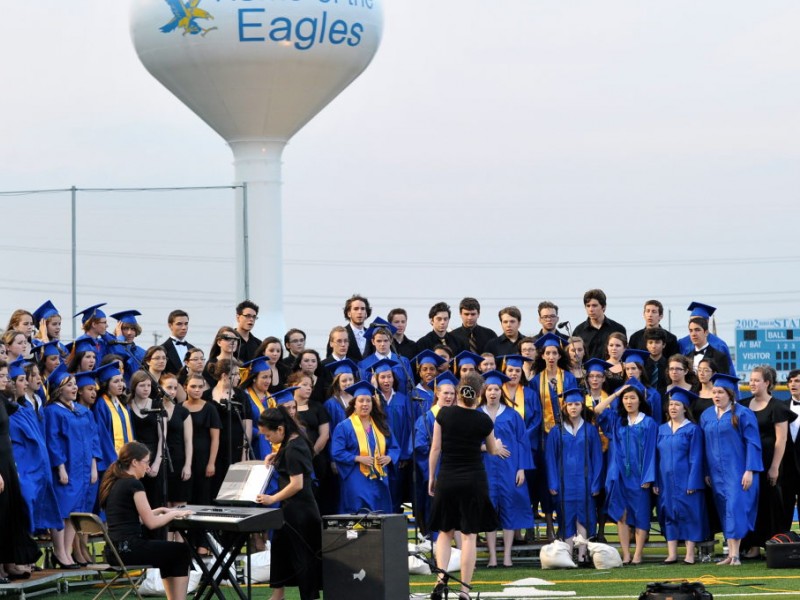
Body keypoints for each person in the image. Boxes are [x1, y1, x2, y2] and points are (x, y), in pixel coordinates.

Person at [428, 372, 500, 600]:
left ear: (459, 391)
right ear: (479, 395)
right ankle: (465, 590)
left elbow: (436, 449)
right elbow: (491, 449)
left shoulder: (444, 414)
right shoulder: (483, 420)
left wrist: (432, 476)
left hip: (448, 477)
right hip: (473, 480)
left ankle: (441, 579)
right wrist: (496, 445)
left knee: (444, 532)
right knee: (469, 535)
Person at [99, 441, 193, 600]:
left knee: (169, 553)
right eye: (146, 463)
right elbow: (152, 523)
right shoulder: (134, 484)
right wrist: (174, 513)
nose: (148, 467)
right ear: (134, 462)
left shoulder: (113, 482)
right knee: (181, 550)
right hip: (129, 550)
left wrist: (160, 511)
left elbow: (133, 519)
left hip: (113, 552)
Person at [255, 407, 322, 600]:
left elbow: (297, 484)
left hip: (300, 511)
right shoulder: (291, 441)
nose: (267, 439)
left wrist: (272, 499)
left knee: (303, 557)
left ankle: (309, 597)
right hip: (290, 509)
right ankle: (278, 594)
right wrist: (277, 457)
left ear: (280, 430)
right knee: (279, 548)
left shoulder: (294, 447)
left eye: (268, 435)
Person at [700, 373, 762, 566]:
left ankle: (735, 555)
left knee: (735, 508)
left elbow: (753, 443)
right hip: (716, 473)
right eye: (714, 392)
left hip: (738, 471)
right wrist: (706, 471)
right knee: (725, 509)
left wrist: (750, 470)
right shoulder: (707, 415)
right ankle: (731, 554)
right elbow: (703, 445)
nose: (716, 395)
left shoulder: (743, 414)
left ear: (730, 394)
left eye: (720, 392)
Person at [594, 385, 657, 565]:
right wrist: (615, 392)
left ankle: (637, 554)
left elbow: (652, 451)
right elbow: (597, 410)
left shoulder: (648, 423)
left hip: (640, 476)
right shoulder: (617, 420)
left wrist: (648, 476)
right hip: (619, 474)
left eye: (633, 398)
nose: (629, 401)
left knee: (640, 514)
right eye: (626, 398)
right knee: (621, 514)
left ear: (640, 401)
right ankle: (626, 554)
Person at [44, 364, 99, 568]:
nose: (75, 388)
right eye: (70, 385)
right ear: (59, 389)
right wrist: (60, 467)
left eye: (75, 384)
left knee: (74, 513)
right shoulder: (53, 412)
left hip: (82, 469)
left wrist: (93, 466)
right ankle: (60, 552)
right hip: (66, 469)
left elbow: (94, 440)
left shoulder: (83, 411)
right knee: (62, 511)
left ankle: (67, 553)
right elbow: (53, 441)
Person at [740, 365, 795, 559]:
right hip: (748, 463)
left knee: (771, 504)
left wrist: (774, 467)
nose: (751, 383)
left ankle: (772, 545)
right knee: (751, 503)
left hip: (770, 462)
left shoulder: (778, 407)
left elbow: (782, 440)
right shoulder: (743, 404)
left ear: (767, 383)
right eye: (750, 380)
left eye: (756, 380)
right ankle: (752, 546)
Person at [480, 370, 533, 568]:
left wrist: (522, 469)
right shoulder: (477, 415)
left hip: (510, 468)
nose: (493, 392)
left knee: (510, 508)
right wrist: (489, 447)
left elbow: (523, 443)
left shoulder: (512, 415)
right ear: (484, 391)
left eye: (496, 389)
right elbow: (468, 442)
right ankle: (493, 556)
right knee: (489, 511)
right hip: (485, 468)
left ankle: (508, 555)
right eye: (489, 389)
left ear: (501, 392)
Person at [545, 388, 603, 565]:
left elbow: (597, 457)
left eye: (577, 404)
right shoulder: (557, 431)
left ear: (582, 406)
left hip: (585, 481)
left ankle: (583, 555)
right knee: (566, 515)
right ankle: (569, 554)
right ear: (564, 407)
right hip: (564, 481)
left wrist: (596, 483)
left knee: (584, 516)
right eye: (570, 404)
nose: (573, 407)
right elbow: (550, 459)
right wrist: (553, 481)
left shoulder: (590, 430)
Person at [655, 387, 708, 564]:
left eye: (677, 404)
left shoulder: (692, 430)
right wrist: (655, 480)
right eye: (671, 404)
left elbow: (696, 457)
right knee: (669, 513)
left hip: (686, 480)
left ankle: (690, 554)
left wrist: (693, 481)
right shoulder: (662, 429)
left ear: (685, 408)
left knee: (689, 514)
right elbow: (656, 457)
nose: (673, 407)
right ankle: (672, 554)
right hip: (666, 481)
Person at [0, 360, 42, 582]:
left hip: (7, 463)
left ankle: (9, 563)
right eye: (2, 376)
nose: (6, 380)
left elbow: (21, 405)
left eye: (7, 375)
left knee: (9, 514)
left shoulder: (2, 400)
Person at [330, 380, 399, 514]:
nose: (365, 404)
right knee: (359, 511)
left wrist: (389, 457)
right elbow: (337, 452)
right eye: (361, 401)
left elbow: (394, 447)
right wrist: (357, 458)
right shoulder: (344, 426)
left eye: (368, 401)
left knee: (381, 510)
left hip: (380, 478)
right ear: (354, 404)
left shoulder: (381, 425)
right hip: (356, 477)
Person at [128, 371, 166, 513]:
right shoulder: (127, 406)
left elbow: (163, 437)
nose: (146, 389)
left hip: (155, 455)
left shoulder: (157, 406)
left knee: (154, 500)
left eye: (148, 385)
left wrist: (156, 463)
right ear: (134, 387)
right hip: (135, 458)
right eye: (142, 385)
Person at [184, 373, 221, 509]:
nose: (197, 390)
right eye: (193, 386)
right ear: (185, 387)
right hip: (185, 458)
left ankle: (202, 530)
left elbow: (215, 438)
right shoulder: (180, 407)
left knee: (203, 495)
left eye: (200, 387)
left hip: (203, 458)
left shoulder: (210, 408)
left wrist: (211, 463)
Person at [158, 373, 193, 516]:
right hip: (161, 460)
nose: (172, 391)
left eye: (174, 388)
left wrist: (187, 465)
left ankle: (179, 538)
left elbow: (188, 441)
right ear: (160, 387)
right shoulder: (155, 408)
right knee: (164, 505)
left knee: (180, 506)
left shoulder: (182, 411)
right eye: (168, 387)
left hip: (178, 461)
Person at [573, 289, 627, 359]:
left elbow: (624, 354)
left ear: (603, 307)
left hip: (612, 369)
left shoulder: (618, 329)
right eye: (588, 306)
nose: (591, 309)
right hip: (587, 369)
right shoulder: (579, 331)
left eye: (594, 305)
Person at [240, 356, 274, 460]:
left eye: (269, 377)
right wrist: (258, 432)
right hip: (255, 443)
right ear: (254, 378)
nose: (268, 381)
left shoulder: (272, 398)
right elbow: (242, 421)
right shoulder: (245, 397)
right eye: (264, 377)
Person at [783, 369, 800, 531]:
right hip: (786, 468)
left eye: (797, 381)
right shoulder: (780, 406)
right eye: (791, 381)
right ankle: (783, 543)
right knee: (784, 508)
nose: (793, 384)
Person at [109, 310, 147, 381]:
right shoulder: (112, 349)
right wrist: (120, 338)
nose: (129, 333)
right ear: (119, 329)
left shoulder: (142, 353)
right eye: (125, 328)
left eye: (132, 329)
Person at [162, 310, 195, 377]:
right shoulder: (163, 349)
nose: (184, 327)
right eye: (179, 324)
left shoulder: (193, 349)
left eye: (186, 324)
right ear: (170, 325)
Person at [340, 294, 373, 362]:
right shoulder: (340, 334)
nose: (360, 312)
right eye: (356, 309)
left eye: (363, 309)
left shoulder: (372, 334)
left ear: (366, 313)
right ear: (349, 313)